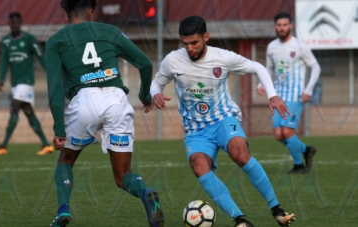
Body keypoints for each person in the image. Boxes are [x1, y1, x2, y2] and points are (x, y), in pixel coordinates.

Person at [151, 15, 296, 227]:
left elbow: (257, 67)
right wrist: (155, 93)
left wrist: (272, 95)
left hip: (223, 119)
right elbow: (156, 83)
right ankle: (240, 219)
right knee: (199, 166)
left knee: (240, 153)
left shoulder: (222, 57)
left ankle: (277, 209)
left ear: (206, 37)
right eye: (185, 43)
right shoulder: (172, 60)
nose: (189, 48)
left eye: (194, 43)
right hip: (195, 130)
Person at [45, 0, 163, 226]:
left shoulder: (56, 41)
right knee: (122, 175)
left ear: (67, 12)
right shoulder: (109, 31)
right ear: (91, 9)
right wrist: (145, 96)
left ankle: (63, 210)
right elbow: (146, 64)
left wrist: (59, 127)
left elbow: (55, 88)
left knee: (66, 160)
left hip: (83, 102)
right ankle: (146, 192)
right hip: (116, 100)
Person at [256, 12, 321, 174]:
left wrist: (309, 89)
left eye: (285, 25)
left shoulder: (299, 46)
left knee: (287, 132)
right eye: (279, 25)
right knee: (279, 135)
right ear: (275, 27)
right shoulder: (272, 47)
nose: (282, 28)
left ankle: (299, 165)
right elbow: (269, 68)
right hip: (278, 96)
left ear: (290, 26)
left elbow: (315, 67)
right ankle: (306, 150)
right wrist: (261, 83)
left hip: (296, 95)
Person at [0, 12, 54, 156]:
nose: (14, 25)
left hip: (26, 81)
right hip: (15, 83)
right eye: (12, 23)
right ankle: (46, 144)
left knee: (14, 106)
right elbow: (4, 61)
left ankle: (3, 145)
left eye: (17, 23)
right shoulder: (6, 41)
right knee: (28, 111)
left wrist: (51, 73)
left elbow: (41, 56)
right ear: (9, 24)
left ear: (20, 24)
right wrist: (1, 79)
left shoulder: (29, 39)